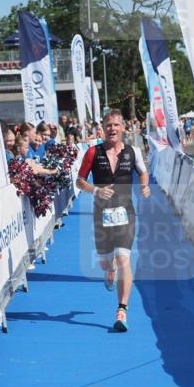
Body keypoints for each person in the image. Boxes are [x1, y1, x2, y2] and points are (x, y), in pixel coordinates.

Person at [75, 109, 150, 333]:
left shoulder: (133, 151)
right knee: (107, 262)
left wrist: (144, 185)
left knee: (123, 258)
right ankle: (109, 271)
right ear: (103, 128)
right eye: (109, 125)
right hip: (101, 214)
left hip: (126, 212)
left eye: (116, 125)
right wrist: (96, 190)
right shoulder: (92, 152)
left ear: (123, 128)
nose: (112, 129)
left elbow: (143, 172)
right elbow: (79, 182)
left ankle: (122, 309)